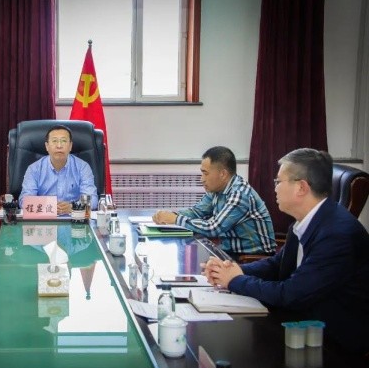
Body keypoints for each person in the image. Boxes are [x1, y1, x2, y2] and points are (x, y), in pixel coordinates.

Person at [202, 148, 369, 354]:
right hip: (304, 326)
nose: (274, 188)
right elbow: (277, 264)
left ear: (301, 187)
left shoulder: (336, 234)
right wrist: (233, 270)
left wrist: (236, 280)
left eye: (278, 182)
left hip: (335, 345)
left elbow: (291, 294)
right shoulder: (306, 220)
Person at [152, 146, 276, 255]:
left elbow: (213, 228)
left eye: (205, 173)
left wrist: (175, 219)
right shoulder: (216, 190)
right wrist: (169, 216)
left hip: (254, 259)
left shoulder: (240, 194)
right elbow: (196, 212)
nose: (202, 179)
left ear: (223, 174)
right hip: (231, 252)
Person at [19, 125, 98, 215]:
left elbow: (93, 200)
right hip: (44, 218)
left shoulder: (82, 167)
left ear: (70, 146)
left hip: (74, 218)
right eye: (54, 141)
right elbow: (24, 201)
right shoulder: (34, 169)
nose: (59, 146)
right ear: (47, 146)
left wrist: (73, 207)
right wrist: (49, 206)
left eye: (63, 141)